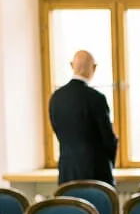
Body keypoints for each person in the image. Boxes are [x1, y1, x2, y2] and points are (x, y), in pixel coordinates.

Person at [48, 50, 118, 186]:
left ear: (71, 66)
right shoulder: (96, 98)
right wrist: (110, 164)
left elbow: (57, 131)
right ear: (94, 68)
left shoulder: (56, 98)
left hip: (67, 172)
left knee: (69, 200)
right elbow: (108, 138)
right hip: (96, 172)